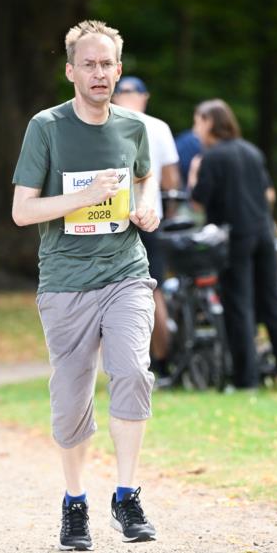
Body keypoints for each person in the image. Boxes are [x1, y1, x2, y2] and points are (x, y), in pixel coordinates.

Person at [12, 19, 159, 551]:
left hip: (125, 272)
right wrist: (82, 197)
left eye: (108, 65)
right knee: (71, 396)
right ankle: (75, 503)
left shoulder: (133, 127)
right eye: (89, 64)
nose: (100, 74)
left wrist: (147, 208)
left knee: (133, 370)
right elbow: (22, 211)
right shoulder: (45, 127)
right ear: (70, 70)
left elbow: (144, 177)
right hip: (65, 282)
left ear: (119, 71)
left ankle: (126, 494)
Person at [188, 99, 277, 390]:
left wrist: (194, 175)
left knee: (238, 305)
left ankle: (246, 378)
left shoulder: (212, 158)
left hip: (234, 237)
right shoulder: (251, 151)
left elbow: (198, 201)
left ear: (209, 122)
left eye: (197, 122)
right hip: (263, 233)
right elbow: (269, 194)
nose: (195, 130)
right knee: (272, 300)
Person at [111, 76, 181, 374]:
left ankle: (120, 363)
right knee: (154, 289)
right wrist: (171, 214)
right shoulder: (158, 127)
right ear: (144, 97)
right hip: (151, 216)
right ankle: (161, 361)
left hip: (111, 217)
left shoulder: (104, 124)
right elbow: (171, 181)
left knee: (110, 291)